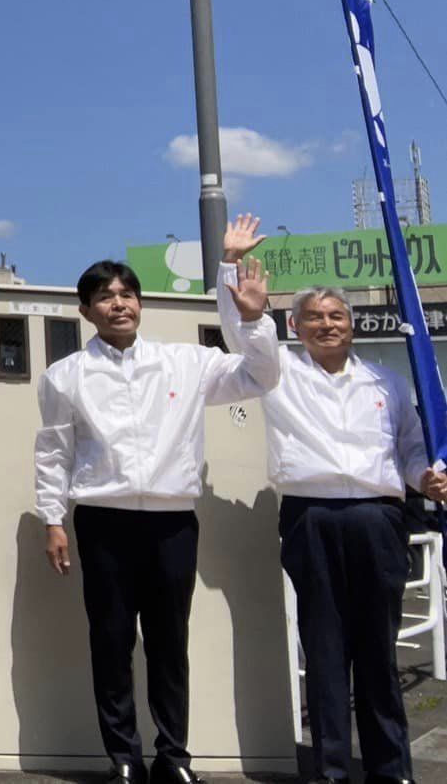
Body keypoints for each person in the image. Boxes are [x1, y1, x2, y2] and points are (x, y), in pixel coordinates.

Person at [34, 253, 278, 784]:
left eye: (126, 294)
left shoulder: (186, 362)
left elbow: (260, 376)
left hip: (171, 522)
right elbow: (53, 453)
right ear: (86, 310)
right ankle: (123, 756)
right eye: (105, 297)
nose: (118, 304)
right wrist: (53, 518)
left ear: (138, 302)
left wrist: (255, 319)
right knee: (111, 639)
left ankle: (174, 756)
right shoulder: (64, 376)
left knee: (170, 642)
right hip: (102, 521)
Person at [218, 214, 440, 784]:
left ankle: (392, 771)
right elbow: (241, 334)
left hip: (378, 519)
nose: (326, 324)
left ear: (352, 324)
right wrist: (230, 269)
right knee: (324, 653)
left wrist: (427, 479)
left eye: (336, 315)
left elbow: (411, 452)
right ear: (294, 325)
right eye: (313, 317)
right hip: (311, 518)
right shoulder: (278, 374)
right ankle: (332, 773)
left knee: (378, 656)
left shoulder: (387, 384)